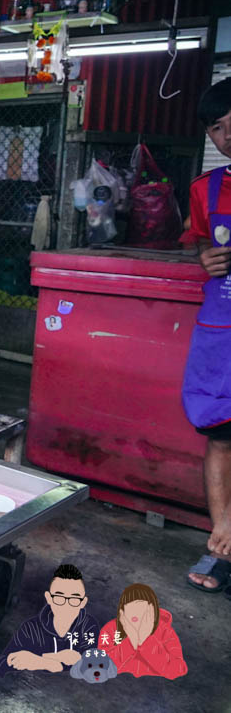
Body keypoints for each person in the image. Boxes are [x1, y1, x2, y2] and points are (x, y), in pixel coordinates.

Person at [182, 78, 231, 595]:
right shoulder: (207, 191)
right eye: (215, 128)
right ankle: (223, 536)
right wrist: (201, 258)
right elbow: (192, 245)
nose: (225, 134)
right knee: (221, 434)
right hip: (224, 332)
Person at [0, 563, 101, 676]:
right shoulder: (31, 629)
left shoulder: (88, 627)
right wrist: (52, 661)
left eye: (74, 599)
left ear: (83, 602)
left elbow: (93, 666)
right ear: (49, 598)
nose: (66, 605)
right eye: (59, 598)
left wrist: (42, 660)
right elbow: (1, 665)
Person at [98, 582, 186, 679]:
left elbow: (177, 670)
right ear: (122, 612)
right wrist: (131, 641)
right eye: (130, 608)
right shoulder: (111, 629)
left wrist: (147, 640)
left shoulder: (165, 632)